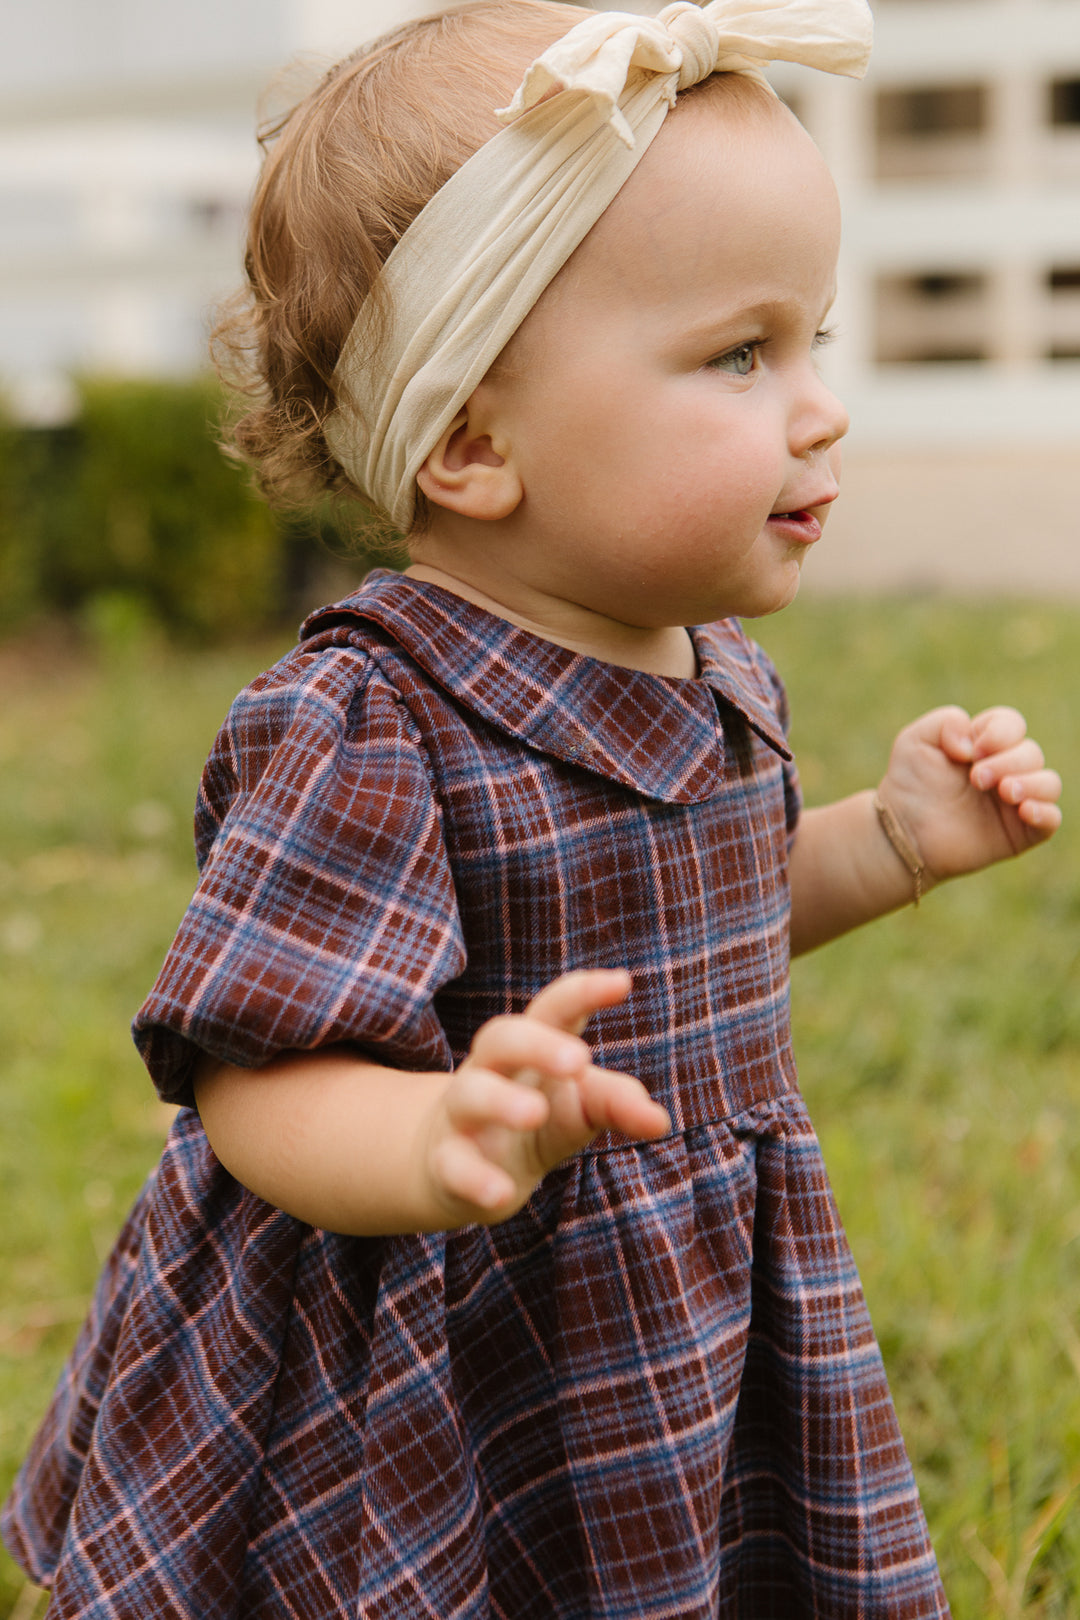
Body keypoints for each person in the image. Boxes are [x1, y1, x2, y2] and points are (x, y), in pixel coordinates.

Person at [3, 0, 1062, 1614]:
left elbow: (706, 924)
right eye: (736, 354)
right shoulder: (375, 722)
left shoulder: (711, 675)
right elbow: (258, 1075)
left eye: (813, 341)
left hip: (665, 1301)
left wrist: (893, 844)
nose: (818, 405)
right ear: (479, 439)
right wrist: (438, 1136)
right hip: (433, 1314)